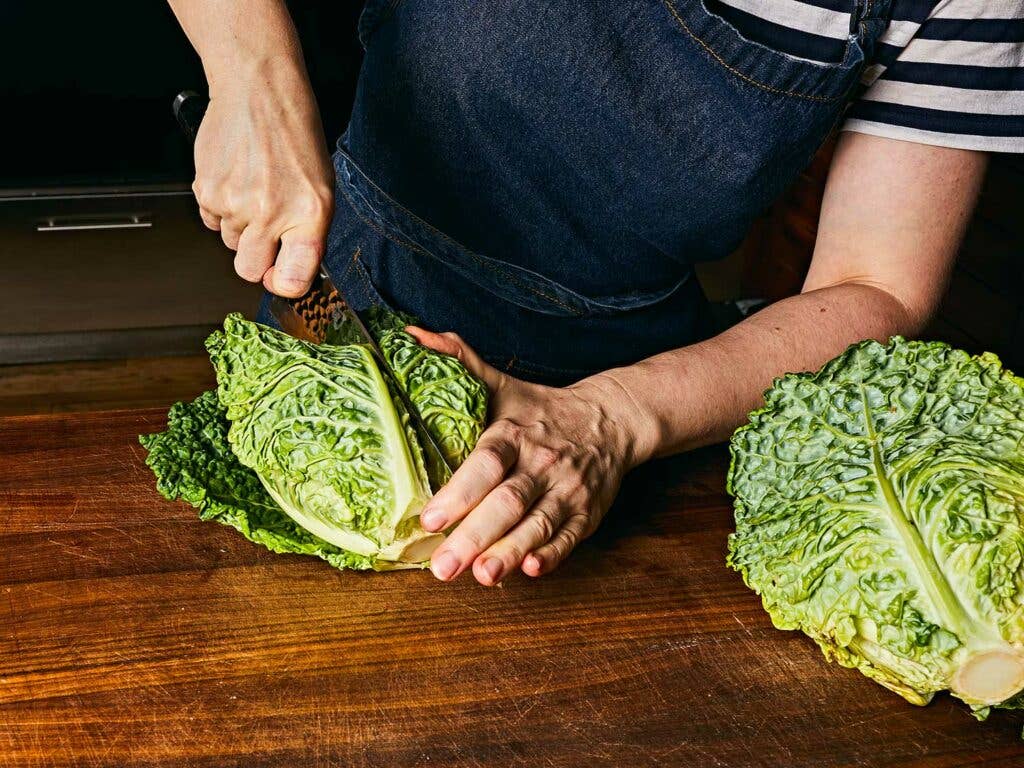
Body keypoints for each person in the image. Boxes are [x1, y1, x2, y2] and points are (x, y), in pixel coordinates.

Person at [168, 0, 1024, 586]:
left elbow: (875, 287)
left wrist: (610, 420)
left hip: (633, 413)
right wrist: (253, 79)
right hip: (362, 315)